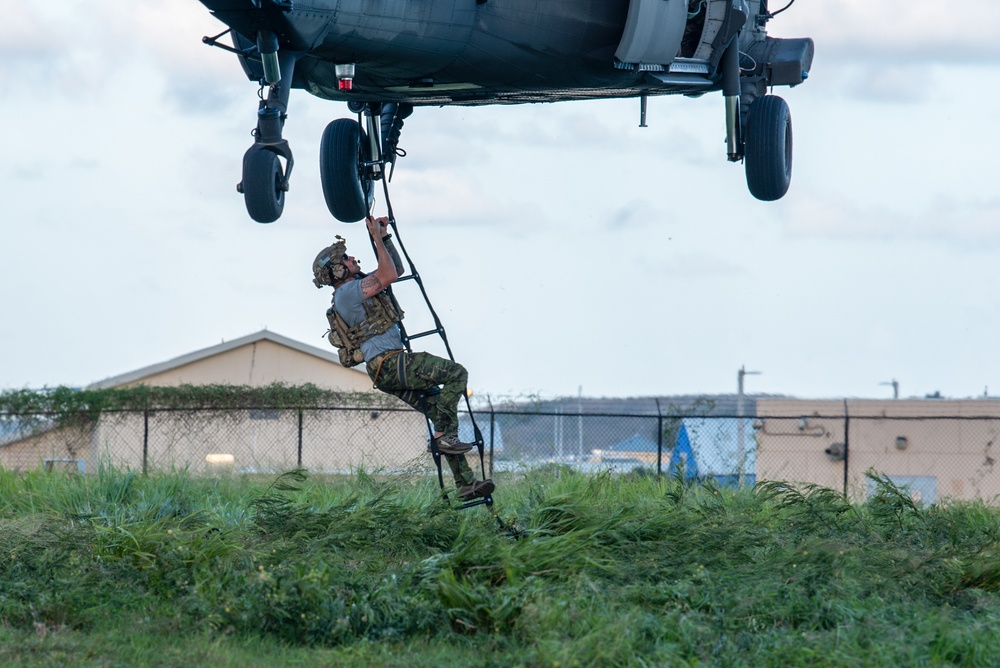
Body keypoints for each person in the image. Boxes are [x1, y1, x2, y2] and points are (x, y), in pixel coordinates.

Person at [312, 215, 495, 501]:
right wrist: (375, 237)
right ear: (336, 270)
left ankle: (465, 484)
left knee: (439, 414)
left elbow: (393, 268)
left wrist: (384, 238)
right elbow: (389, 276)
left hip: (385, 368)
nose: (352, 259)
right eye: (346, 259)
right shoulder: (346, 294)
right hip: (389, 363)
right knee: (457, 374)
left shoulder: (353, 289)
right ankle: (449, 438)